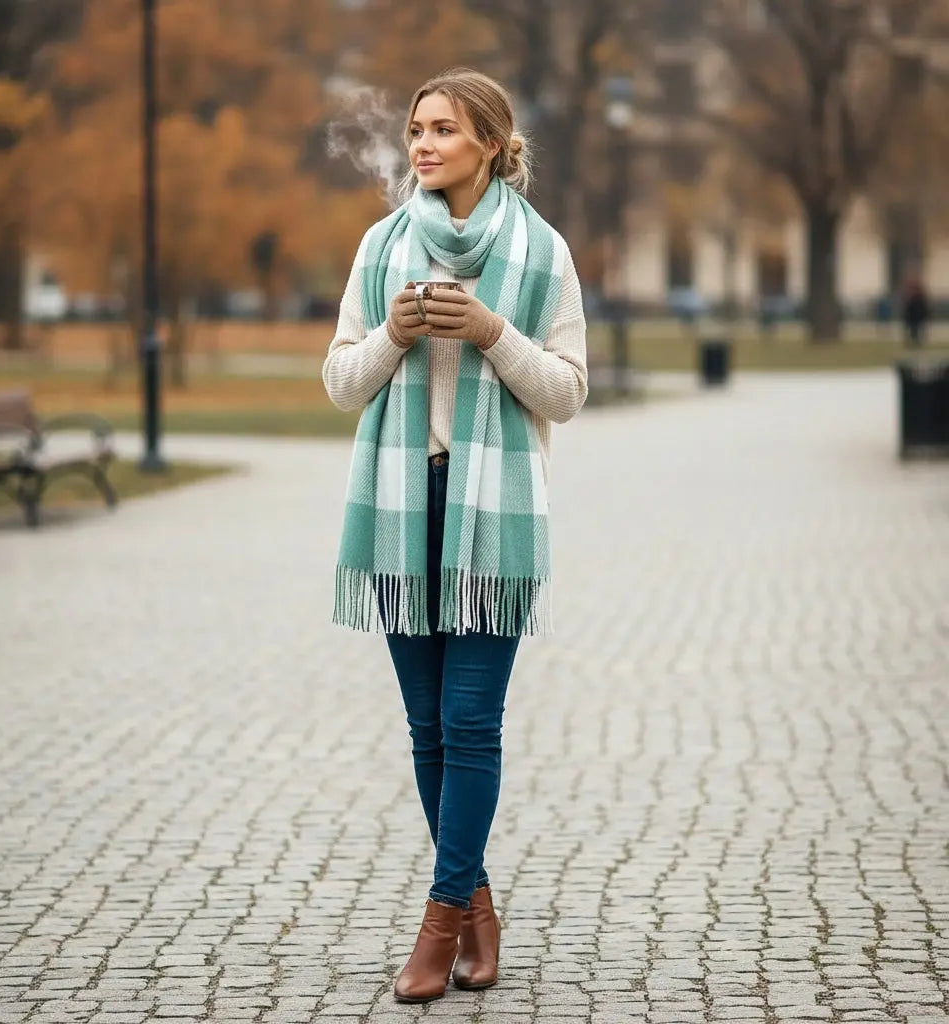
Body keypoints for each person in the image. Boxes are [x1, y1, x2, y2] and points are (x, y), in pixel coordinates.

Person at [322, 67, 588, 1004]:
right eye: (414, 127)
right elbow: (342, 384)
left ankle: (437, 931)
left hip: (494, 520)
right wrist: (392, 335)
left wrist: (489, 331)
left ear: (488, 141)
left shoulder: (543, 253)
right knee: (427, 729)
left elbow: (566, 390)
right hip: (403, 514)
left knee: (469, 723)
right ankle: (479, 911)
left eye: (442, 129)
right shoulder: (382, 246)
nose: (422, 144)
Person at [901, 270, 930, 348]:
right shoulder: (911, 296)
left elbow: (923, 307)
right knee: (913, 330)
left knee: (917, 330)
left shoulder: (918, 297)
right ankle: (913, 341)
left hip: (916, 317)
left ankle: (916, 342)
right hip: (912, 317)